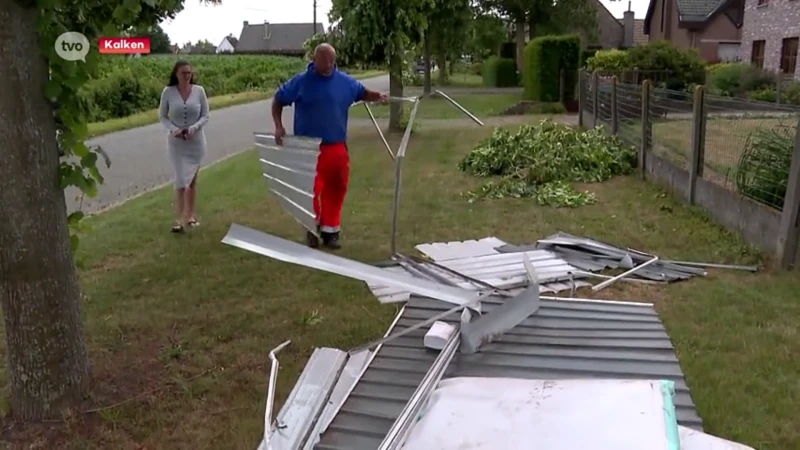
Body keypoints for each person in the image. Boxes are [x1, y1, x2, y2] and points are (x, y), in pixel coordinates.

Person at [272, 43, 388, 250]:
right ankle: (311, 228)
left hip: (336, 146)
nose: (328, 66)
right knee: (311, 191)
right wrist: (279, 126)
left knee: (337, 188)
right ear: (314, 59)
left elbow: (362, 92)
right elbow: (278, 100)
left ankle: (331, 231)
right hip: (309, 147)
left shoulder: (344, 82)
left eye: (332, 62)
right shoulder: (301, 82)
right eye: (324, 61)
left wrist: (377, 96)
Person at [159, 60, 210, 233]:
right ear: (176, 74)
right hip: (176, 144)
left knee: (192, 181)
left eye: (189, 73)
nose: (187, 76)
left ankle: (191, 215)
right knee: (180, 180)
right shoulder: (168, 92)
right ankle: (180, 219)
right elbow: (163, 117)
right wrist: (175, 130)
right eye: (183, 73)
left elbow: (205, 115)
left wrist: (193, 128)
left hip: (195, 143)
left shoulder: (199, 91)